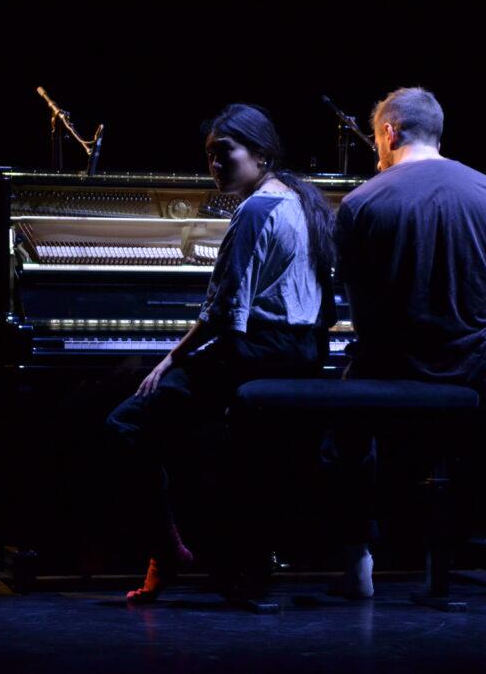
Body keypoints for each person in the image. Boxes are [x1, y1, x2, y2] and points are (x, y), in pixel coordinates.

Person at [331, 86, 486, 599]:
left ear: (389, 132)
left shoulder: (361, 201)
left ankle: (357, 563)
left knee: (346, 442)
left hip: (393, 367)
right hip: (477, 365)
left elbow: (358, 301)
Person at [104, 103, 336, 603]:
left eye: (224, 153)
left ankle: (167, 549)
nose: (214, 165)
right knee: (194, 429)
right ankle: (231, 556)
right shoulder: (301, 198)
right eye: (209, 155)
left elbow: (223, 312)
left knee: (124, 425)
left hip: (259, 352)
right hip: (298, 352)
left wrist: (170, 358)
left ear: (261, 153)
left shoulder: (255, 209)